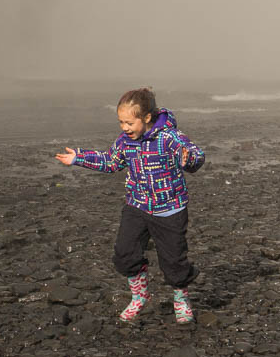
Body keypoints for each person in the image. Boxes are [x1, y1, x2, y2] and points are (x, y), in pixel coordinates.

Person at [55, 88, 205, 324]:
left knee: (174, 261)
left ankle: (180, 298)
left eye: (128, 122)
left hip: (170, 210)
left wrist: (189, 160)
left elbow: (196, 154)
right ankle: (139, 296)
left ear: (146, 118)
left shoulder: (169, 138)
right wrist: (79, 158)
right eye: (120, 122)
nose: (124, 127)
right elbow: (110, 162)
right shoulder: (125, 142)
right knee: (124, 254)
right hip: (136, 206)